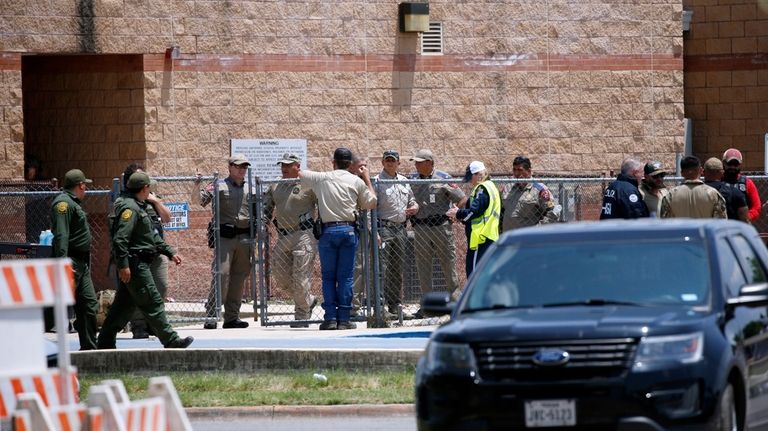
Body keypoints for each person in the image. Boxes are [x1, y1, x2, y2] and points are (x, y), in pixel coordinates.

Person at [96, 172, 193, 349]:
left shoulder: (137, 205)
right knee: (153, 301)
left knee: (122, 308)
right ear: (144, 188)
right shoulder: (130, 209)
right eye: (149, 187)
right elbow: (120, 240)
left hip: (138, 262)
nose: (151, 190)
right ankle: (171, 340)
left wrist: (169, 252)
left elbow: (150, 237)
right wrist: (123, 266)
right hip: (135, 264)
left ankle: (104, 341)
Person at [298, 147, 377, 330]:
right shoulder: (355, 181)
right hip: (348, 230)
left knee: (328, 277)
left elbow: (299, 172)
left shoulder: (322, 177)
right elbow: (372, 202)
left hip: (328, 231)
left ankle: (330, 319)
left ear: (333, 162)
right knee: (346, 278)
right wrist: (366, 178)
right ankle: (344, 319)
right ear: (350, 164)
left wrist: (297, 168)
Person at [196, 154, 254, 330]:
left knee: (239, 277)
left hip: (245, 238)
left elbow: (260, 212)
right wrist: (197, 184)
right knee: (221, 274)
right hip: (225, 238)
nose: (241, 169)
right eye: (237, 166)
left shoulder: (251, 188)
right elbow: (201, 201)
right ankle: (212, 315)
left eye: (244, 167)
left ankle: (232, 318)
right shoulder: (218, 185)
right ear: (229, 167)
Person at [116, 164, 173, 339]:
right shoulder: (127, 203)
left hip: (156, 252)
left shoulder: (151, 200)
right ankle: (139, 325)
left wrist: (155, 201)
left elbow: (167, 218)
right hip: (138, 254)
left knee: (161, 287)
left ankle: (152, 324)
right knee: (137, 292)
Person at [263, 153, 319, 328]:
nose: (284, 168)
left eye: (288, 165)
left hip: (304, 234)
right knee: (280, 276)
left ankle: (301, 316)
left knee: (300, 277)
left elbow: (323, 205)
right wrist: (261, 225)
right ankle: (308, 300)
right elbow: (266, 209)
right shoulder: (275, 186)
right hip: (284, 235)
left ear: (297, 166)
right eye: (282, 165)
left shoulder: (308, 184)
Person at [409, 149, 466, 314]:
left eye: (420, 162)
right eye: (416, 162)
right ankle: (427, 306)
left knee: (448, 264)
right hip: (420, 227)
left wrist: (455, 210)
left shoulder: (443, 178)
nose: (416, 165)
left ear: (430, 163)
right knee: (423, 266)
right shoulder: (412, 179)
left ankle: (456, 304)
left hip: (441, 227)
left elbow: (462, 198)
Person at [50, 169, 98, 350]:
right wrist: (62, 265)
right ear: (80, 185)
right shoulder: (63, 204)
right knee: (56, 305)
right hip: (70, 262)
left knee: (89, 304)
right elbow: (61, 236)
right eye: (85, 185)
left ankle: (89, 348)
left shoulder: (72, 202)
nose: (86, 188)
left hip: (81, 264)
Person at [375, 150, 419, 317]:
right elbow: (372, 208)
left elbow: (412, 200)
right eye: (387, 160)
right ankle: (380, 306)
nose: (390, 163)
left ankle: (395, 305)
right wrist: (375, 232)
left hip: (401, 229)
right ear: (382, 162)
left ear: (399, 163)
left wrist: (415, 207)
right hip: (383, 228)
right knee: (382, 268)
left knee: (396, 267)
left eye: (393, 160)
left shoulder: (404, 181)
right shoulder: (378, 181)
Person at [447, 161, 500, 278]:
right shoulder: (491, 186)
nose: (470, 181)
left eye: (470, 177)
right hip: (487, 237)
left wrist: (458, 213)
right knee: (484, 275)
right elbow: (478, 213)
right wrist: (460, 217)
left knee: (474, 276)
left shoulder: (483, 188)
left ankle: (474, 297)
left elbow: (475, 211)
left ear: (477, 174)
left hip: (481, 239)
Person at [501, 155, 560, 231]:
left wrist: (537, 231)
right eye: (514, 170)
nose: (516, 173)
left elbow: (554, 212)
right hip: (509, 237)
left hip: (527, 239)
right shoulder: (508, 187)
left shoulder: (539, 190)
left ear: (529, 171)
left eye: (520, 170)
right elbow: (503, 210)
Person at [660, 156, 726, 219]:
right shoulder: (713, 194)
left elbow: (665, 223)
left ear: (682, 173)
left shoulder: (670, 196)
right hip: (703, 231)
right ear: (701, 170)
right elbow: (721, 223)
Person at [349, 155, 371, 317]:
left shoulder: (367, 181)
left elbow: (373, 204)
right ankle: (353, 307)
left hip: (367, 229)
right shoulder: (351, 182)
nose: (364, 169)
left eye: (365, 166)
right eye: (360, 166)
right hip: (354, 229)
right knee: (356, 269)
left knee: (364, 269)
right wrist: (366, 179)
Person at [703, 157, 748, 222]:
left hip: (702, 231)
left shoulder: (694, 193)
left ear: (703, 172)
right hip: (728, 230)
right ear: (722, 172)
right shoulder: (736, 193)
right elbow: (745, 220)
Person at [722, 148, 761, 222]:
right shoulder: (718, 180)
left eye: (736, 164)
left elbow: (757, 207)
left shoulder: (747, 183)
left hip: (741, 224)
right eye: (730, 164)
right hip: (722, 223)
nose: (732, 167)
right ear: (724, 163)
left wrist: (746, 217)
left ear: (740, 165)